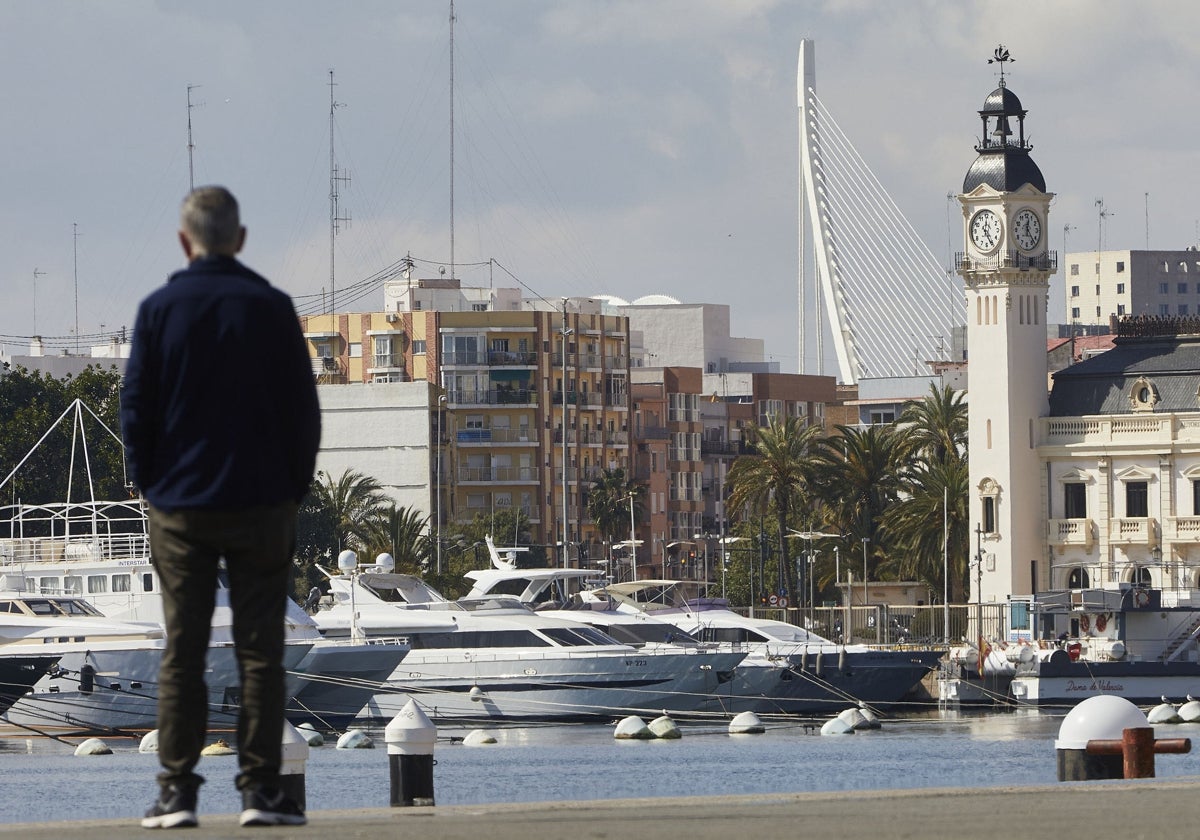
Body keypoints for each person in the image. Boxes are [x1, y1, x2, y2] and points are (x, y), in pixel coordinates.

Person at [121, 186, 321, 829]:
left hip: (180, 505)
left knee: (182, 647)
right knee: (260, 651)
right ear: (240, 238)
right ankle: (260, 792)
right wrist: (294, 487)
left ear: (185, 241)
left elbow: (136, 409)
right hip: (263, 500)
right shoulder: (272, 307)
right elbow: (303, 411)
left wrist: (148, 485)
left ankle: (177, 792)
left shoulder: (158, 310)